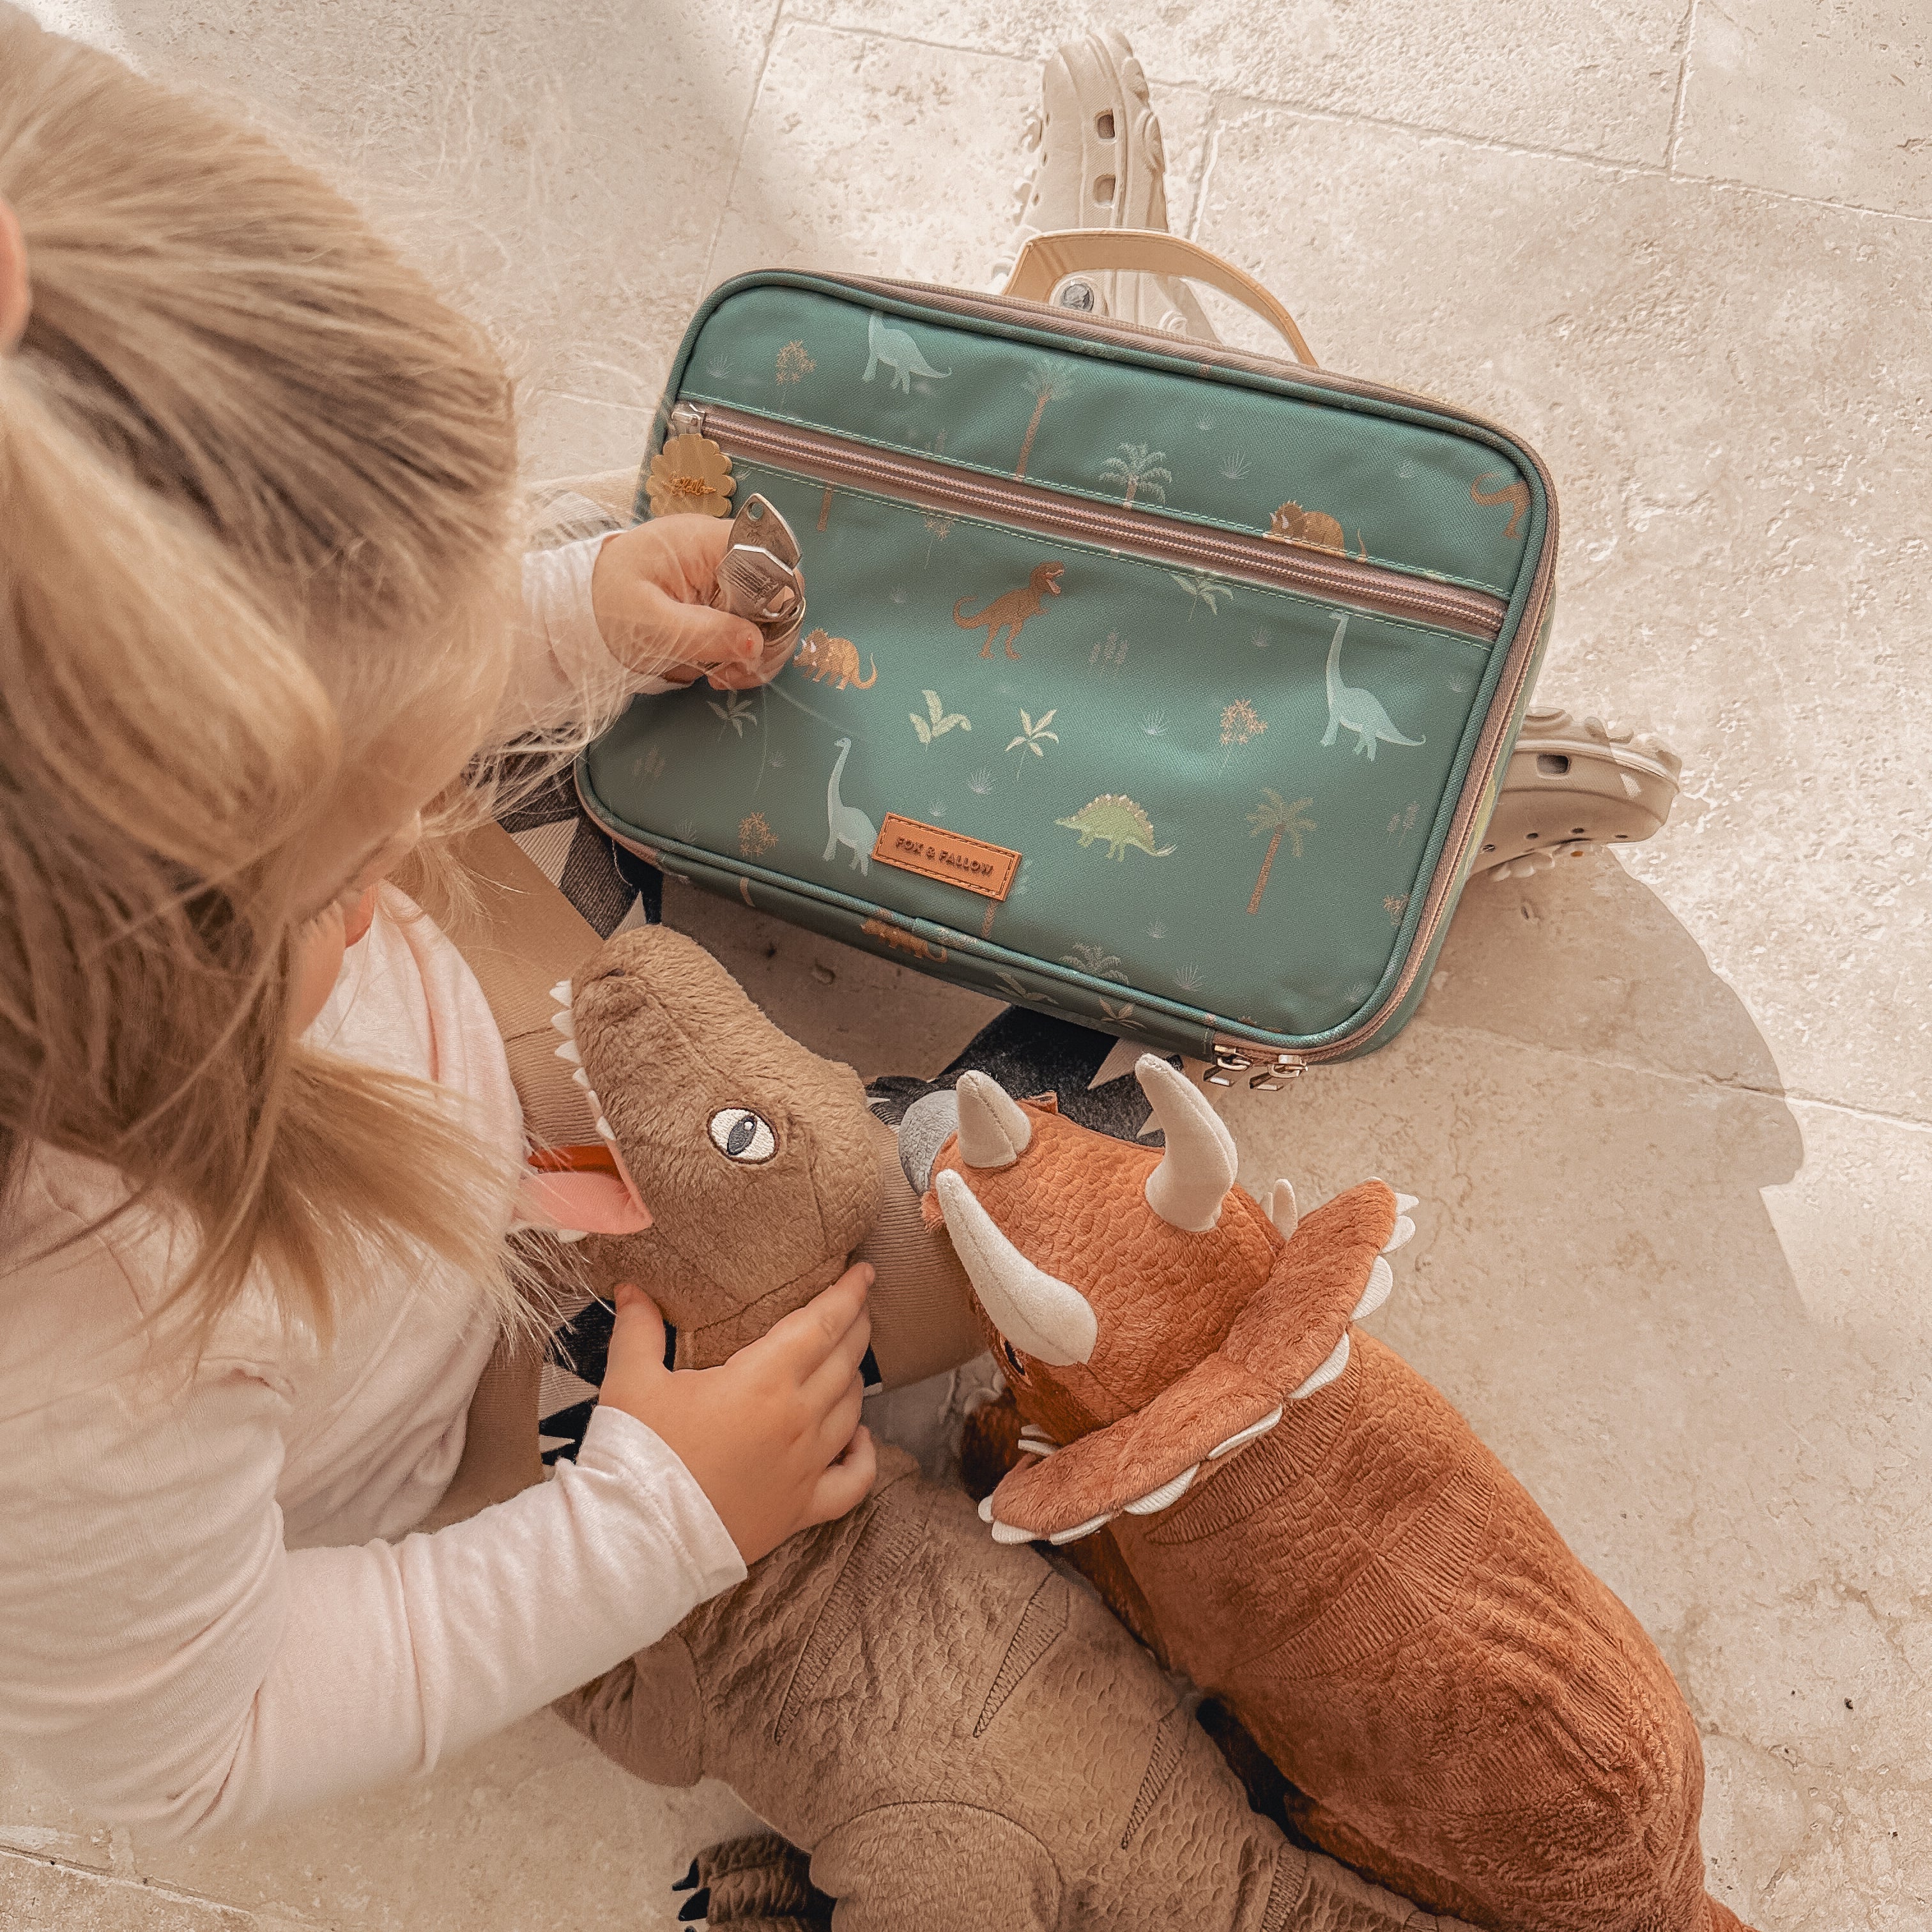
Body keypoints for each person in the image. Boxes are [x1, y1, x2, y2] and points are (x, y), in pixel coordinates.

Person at [0, 8, 875, 1838]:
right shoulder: (76, 1379)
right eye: (346, 865)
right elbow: (191, 1744)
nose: (408, 867)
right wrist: (646, 1526)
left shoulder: (115, 939)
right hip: (384, 1471)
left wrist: (553, 624)